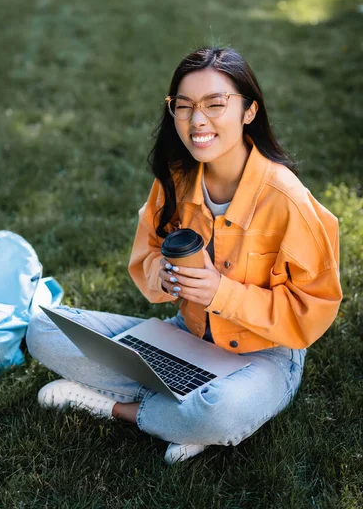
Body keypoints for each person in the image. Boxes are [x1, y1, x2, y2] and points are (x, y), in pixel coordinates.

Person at [26, 47, 342, 464]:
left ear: (249, 111)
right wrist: (164, 275)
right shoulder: (177, 178)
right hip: (186, 335)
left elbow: (313, 309)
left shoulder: (288, 201)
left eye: (215, 104)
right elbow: (149, 253)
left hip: (263, 356)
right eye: (184, 106)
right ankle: (182, 412)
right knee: (43, 331)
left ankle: (119, 408)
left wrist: (221, 293)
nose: (197, 121)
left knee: (223, 410)